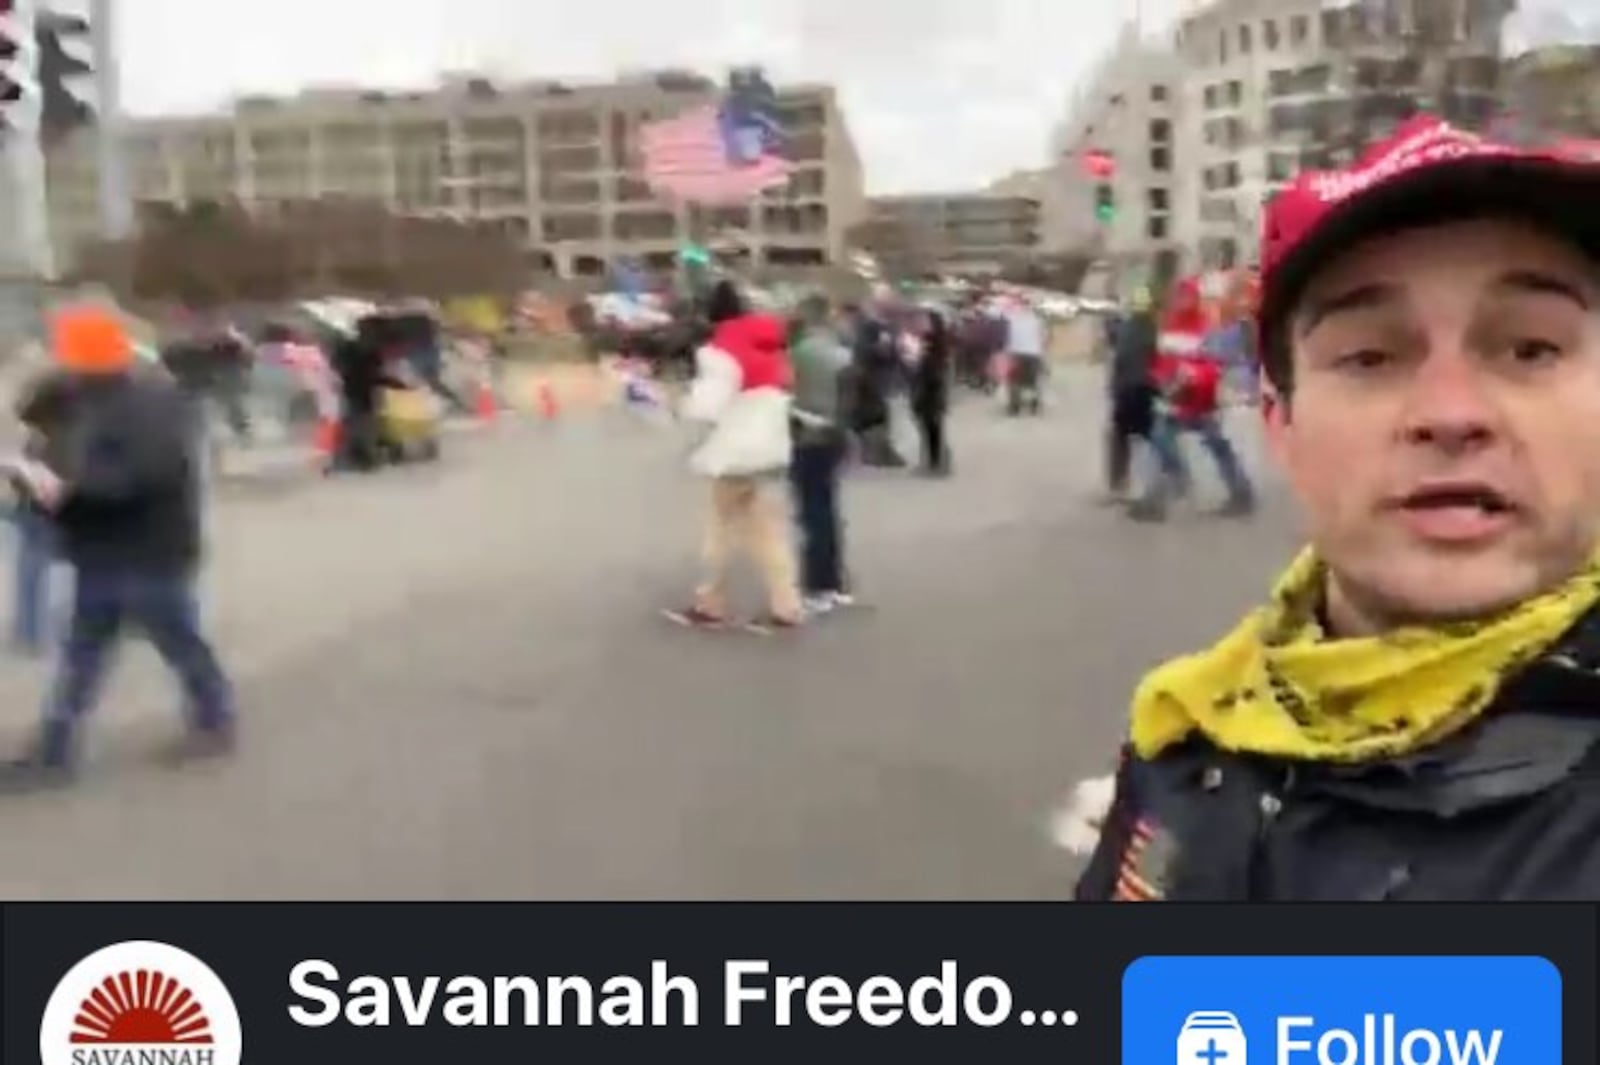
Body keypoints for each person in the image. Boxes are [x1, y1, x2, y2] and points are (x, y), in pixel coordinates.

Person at [1073, 115, 1600, 899]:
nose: (1451, 413)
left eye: (1530, 348)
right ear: (1281, 426)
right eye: (1370, 357)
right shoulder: (1184, 740)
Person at [1, 305, 237, 792]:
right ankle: (55, 750)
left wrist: (67, 488)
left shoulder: (153, 404)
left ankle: (215, 718)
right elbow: (42, 434)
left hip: (150, 553)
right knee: (82, 656)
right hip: (98, 551)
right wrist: (36, 483)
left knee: (181, 643)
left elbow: (143, 477)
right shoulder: (74, 402)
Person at [664, 281, 803, 634]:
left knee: (720, 531)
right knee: (766, 531)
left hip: (736, 452)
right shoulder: (769, 343)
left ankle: (710, 603)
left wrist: (678, 404)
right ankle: (786, 605)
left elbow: (707, 406)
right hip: (770, 447)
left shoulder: (719, 351)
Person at [788, 294, 855, 614]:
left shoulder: (798, 353)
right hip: (836, 436)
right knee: (828, 508)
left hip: (806, 437)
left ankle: (818, 585)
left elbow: (786, 394)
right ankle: (836, 581)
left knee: (811, 511)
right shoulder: (843, 353)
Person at [910, 308, 953, 476]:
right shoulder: (933, 342)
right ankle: (935, 462)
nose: (920, 323)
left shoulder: (933, 343)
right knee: (931, 427)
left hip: (930, 389)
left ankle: (934, 463)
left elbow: (930, 370)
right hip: (930, 388)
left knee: (931, 427)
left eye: (923, 320)